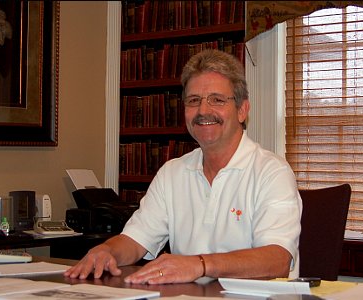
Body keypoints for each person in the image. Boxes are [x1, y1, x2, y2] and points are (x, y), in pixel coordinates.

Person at [64, 49, 302, 284]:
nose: (203, 111)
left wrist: (199, 265)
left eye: (217, 100)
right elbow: (136, 239)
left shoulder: (272, 172)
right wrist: (106, 251)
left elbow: (277, 260)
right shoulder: (172, 173)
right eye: (193, 100)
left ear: (242, 110)